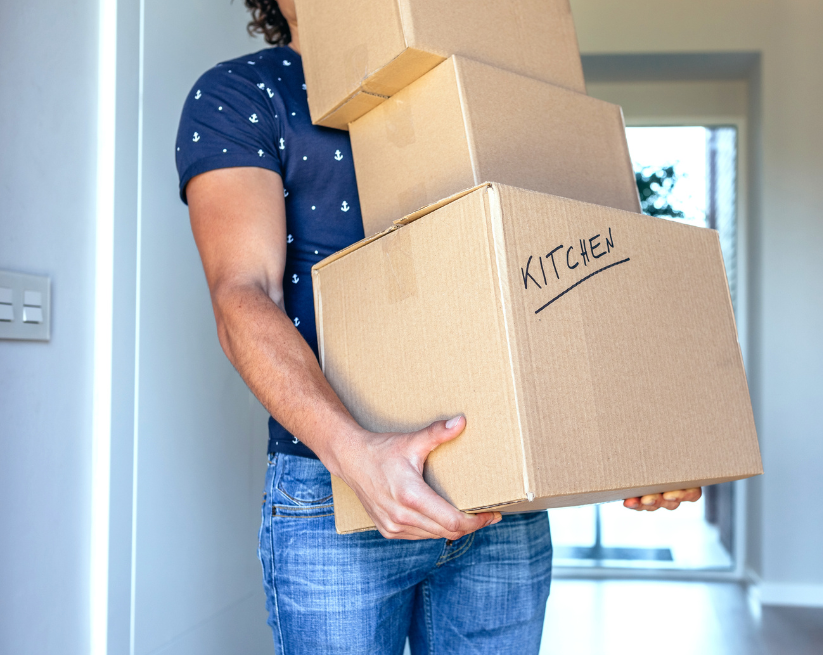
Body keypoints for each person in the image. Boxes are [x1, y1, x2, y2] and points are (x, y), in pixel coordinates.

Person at [176, 1, 703, 652]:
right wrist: (356, 455)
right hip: (335, 487)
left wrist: (639, 435)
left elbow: (565, 275)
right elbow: (241, 293)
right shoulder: (246, 92)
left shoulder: (481, 84)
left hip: (502, 494)